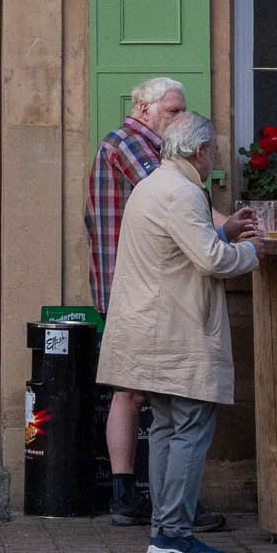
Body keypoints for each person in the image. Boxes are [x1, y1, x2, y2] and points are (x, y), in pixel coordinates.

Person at [97, 111, 260, 553]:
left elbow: (182, 244)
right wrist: (249, 252)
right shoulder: (184, 192)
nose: (214, 162)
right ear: (198, 151)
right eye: (212, 153)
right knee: (188, 429)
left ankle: (163, 528)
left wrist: (223, 230)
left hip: (151, 330)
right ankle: (175, 532)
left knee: (166, 428)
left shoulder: (152, 184)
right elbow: (211, 261)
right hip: (174, 331)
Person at [86, 75, 181, 528]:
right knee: (150, 390)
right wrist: (230, 230)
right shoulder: (131, 142)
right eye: (173, 111)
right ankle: (165, 501)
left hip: (125, 287)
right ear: (144, 109)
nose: (180, 120)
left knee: (130, 389)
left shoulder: (130, 142)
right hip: (134, 288)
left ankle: (130, 497)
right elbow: (176, 201)